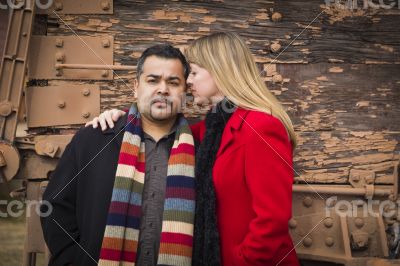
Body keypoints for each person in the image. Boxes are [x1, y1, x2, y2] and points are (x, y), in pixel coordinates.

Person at [87, 32, 300, 266]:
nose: (188, 82)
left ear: (221, 71)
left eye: (195, 72)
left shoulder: (261, 127)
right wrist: (122, 118)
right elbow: (161, 124)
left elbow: (273, 219)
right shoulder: (208, 130)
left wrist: (243, 260)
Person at [40, 44, 197, 265]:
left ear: (185, 92)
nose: (163, 89)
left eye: (173, 82)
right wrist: (75, 260)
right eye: (153, 80)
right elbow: (55, 207)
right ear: (135, 87)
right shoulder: (93, 139)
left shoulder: (200, 149)